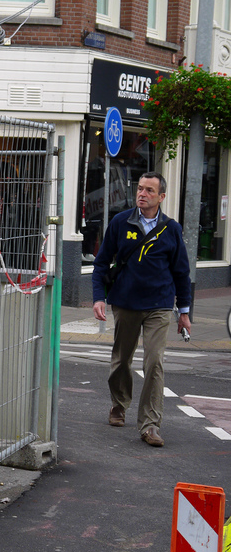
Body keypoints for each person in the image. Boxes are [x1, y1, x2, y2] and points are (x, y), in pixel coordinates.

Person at [91, 171, 191, 447]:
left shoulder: (172, 229)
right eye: (140, 189)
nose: (142, 194)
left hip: (159, 305)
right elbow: (101, 264)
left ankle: (150, 425)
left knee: (154, 362)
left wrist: (184, 311)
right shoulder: (121, 222)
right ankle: (119, 403)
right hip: (125, 303)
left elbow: (182, 272)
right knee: (121, 359)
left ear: (161, 196)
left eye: (149, 190)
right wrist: (99, 298)